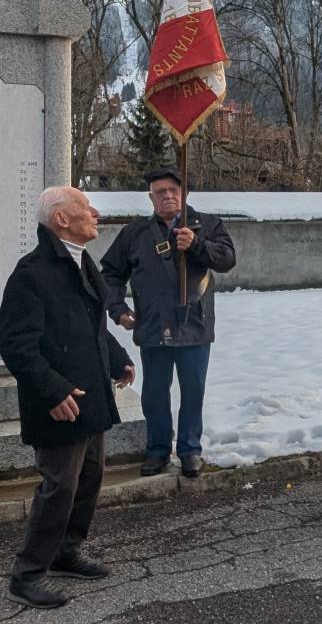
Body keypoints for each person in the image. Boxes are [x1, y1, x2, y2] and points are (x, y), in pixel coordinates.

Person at [0, 186, 136, 610]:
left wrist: (117, 359)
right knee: (59, 487)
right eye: (84, 208)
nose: (94, 213)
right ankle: (27, 575)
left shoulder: (81, 261)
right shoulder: (33, 272)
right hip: (59, 401)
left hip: (89, 395)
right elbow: (16, 343)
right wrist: (52, 390)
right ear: (61, 220)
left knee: (89, 479)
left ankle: (65, 551)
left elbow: (90, 323)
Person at [101, 167, 236, 479]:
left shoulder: (207, 225)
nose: (167, 196)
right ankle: (158, 450)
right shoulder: (134, 234)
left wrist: (198, 245)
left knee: (193, 392)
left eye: (173, 190)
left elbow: (228, 259)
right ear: (151, 197)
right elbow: (110, 274)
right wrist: (118, 309)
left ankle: (190, 450)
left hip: (194, 325)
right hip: (152, 327)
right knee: (155, 395)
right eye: (159, 192)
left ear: (184, 193)